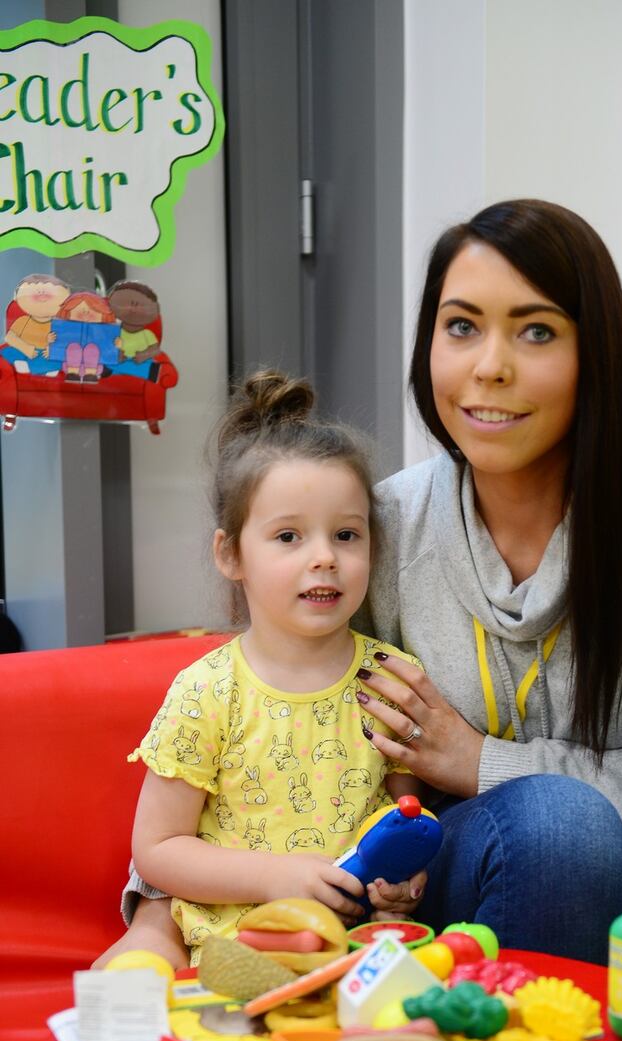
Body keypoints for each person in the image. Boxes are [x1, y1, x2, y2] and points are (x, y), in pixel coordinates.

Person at [119, 200, 622, 1041]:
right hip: (479, 882)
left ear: (592, 353)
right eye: (459, 325)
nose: (487, 366)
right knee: (556, 827)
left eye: (534, 330)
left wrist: (479, 759)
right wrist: (153, 911)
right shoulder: (378, 523)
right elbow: (259, 711)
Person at [104, 370, 426, 968]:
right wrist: (275, 876)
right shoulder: (206, 692)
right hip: (230, 948)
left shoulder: (392, 676)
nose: (325, 557)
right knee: (139, 979)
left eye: (347, 534)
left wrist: (400, 880)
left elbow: (401, 814)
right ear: (231, 554)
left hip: (355, 951)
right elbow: (158, 849)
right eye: (288, 536)